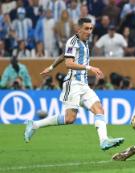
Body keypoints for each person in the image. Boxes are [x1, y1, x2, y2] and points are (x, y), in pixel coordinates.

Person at [24, 18, 124, 150]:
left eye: (91, 28)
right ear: (79, 29)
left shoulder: (84, 42)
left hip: (83, 84)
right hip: (73, 84)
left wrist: (51, 67)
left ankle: (104, 141)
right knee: (70, 119)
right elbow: (68, 63)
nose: (89, 31)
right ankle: (35, 124)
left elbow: (63, 55)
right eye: (86, 28)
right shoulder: (73, 41)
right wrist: (90, 68)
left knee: (99, 109)